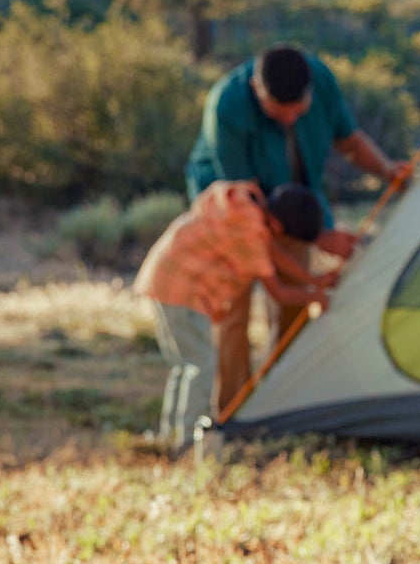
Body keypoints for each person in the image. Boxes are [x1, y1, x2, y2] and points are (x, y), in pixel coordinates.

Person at [185, 42, 411, 358]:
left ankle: (280, 394)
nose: (291, 119)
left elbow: (349, 141)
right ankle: (231, 406)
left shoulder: (322, 80)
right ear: (256, 88)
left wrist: (387, 170)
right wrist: (319, 235)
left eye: (298, 110)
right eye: (279, 112)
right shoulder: (226, 104)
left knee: (294, 310)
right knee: (234, 314)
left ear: (310, 91)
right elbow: (248, 202)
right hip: (233, 219)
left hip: (290, 213)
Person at [134, 181, 332, 449]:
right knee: (201, 364)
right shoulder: (249, 231)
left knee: (187, 364)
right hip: (181, 289)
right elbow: (279, 293)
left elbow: (271, 252)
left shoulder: (244, 208)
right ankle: (188, 440)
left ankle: (170, 436)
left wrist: (314, 280)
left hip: (166, 279)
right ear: (277, 226)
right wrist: (316, 296)